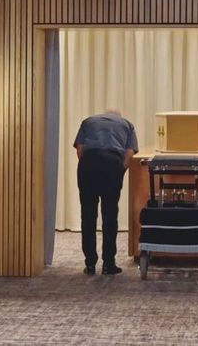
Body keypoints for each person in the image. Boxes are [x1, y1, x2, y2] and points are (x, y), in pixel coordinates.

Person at [73, 109, 138, 275]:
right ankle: (109, 264)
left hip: (89, 162)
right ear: (118, 116)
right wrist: (119, 169)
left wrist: (88, 164)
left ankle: (90, 264)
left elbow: (80, 150)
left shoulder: (88, 121)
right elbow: (130, 153)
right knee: (109, 215)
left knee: (88, 214)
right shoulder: (127, 125)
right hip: (111, 163)